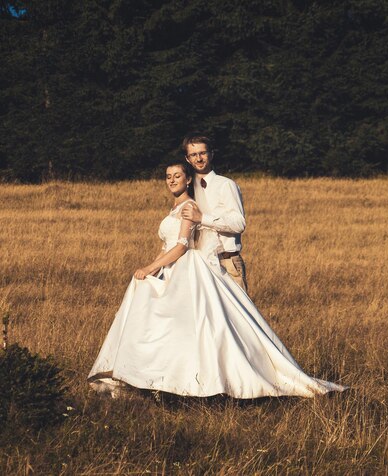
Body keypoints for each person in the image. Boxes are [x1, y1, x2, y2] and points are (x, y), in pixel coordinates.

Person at [88, 161, 346, 399]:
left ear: (187, 180)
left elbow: (180, 247)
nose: (172, 180)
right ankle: (143, 375)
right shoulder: (175, 207)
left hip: (184, 268)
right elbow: (165, 246)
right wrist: (152, 269)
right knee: (156, 312)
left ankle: (186, 380)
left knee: (189, 326)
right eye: (168, 177)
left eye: (177, 176)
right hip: (171, 268)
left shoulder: (190, 207)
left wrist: (150, 267)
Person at [180, 134, 248, 292]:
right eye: (193, 155)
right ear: (187, 159)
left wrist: (202, 218)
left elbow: (239, 224)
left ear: (211, 154)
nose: (199, 159)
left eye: (203, 153)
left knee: (237, 315)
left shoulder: (226, 185)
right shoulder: (188, 189)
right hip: (200, 264)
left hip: (227, 262)